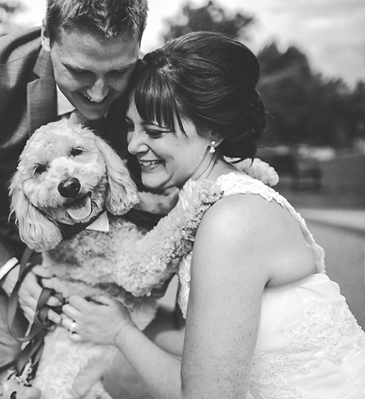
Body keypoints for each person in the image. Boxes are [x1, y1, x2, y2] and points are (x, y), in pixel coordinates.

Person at [61, 31, 365, 399]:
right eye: (131, 126)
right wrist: (96, 301)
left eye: (154, 131)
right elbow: (189, 333)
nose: (133, 144)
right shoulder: (199, 203)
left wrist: (119, 332)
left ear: (211, 131)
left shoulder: (232, 220)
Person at [0, 1, 149, 398]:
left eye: (117, 73)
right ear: (46, 37)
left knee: (70, 353)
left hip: (70, 245)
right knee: (7, 354)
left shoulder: (144, 81)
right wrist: (12, 277)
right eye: (79, 71)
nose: (98, 92)